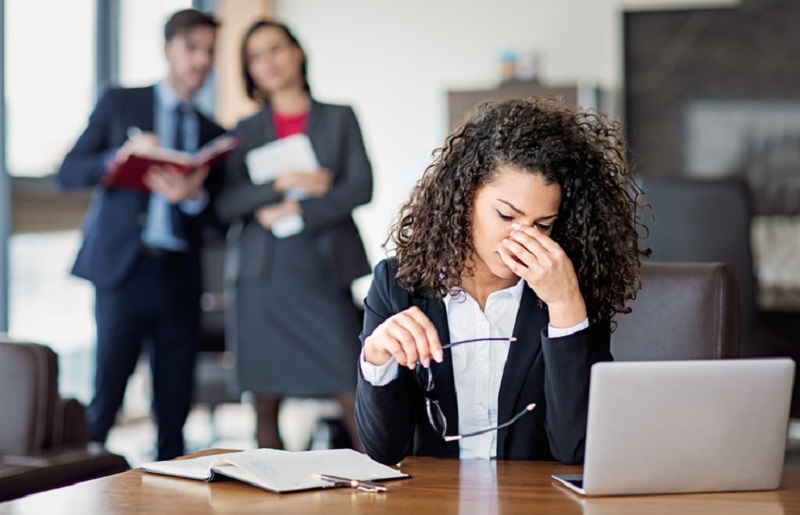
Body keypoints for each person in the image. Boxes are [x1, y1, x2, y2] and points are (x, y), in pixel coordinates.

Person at [355, 97, 650, 465]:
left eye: (542, 225)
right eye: (506, 215)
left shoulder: (572, 288)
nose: (521, 239)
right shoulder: (398, 283)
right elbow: (383, 451)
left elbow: (576, 450)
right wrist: (378, 356)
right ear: (465, 197)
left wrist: (565, 309)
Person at [56, 9, 225, 460]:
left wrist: (193, 197)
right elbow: (68, 171)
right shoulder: (120, 104)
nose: (201, 60)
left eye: (209, 51)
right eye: (192, 47)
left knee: (174, 407)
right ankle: (78, 483)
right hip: (123, 272)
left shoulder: (212, 133)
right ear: (168, 49)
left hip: (178, 278)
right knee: (107, 394)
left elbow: (222, 221)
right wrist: (118, 159)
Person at [216, 20, 372, 450]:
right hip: (262, 277)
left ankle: (380, 485)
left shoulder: (339, 118)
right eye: (255, 56)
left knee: (351, 384)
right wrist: (282, 184)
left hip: (323, 269)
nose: (268, 61)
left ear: (297, 52)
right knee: (265, 401)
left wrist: (300, 209)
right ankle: (274, 492)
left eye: (275, 49)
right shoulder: (244, 130)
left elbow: (361, 186)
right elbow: (226, 203)